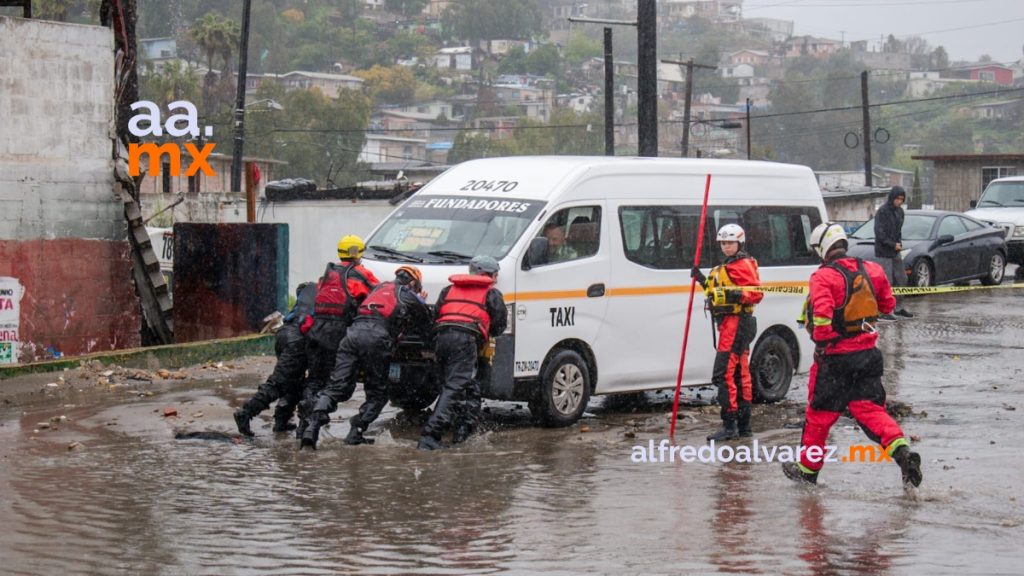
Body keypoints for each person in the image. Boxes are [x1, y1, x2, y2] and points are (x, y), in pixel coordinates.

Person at [784, 222, 922, 487]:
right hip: (868, 354)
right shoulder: (873, 269)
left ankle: (807, 471)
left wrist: (825, 343)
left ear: (823, 248)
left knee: (819, 416)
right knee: (869, 410)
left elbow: (822, 322)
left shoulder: (823, 276)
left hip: (834, 359)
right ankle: (903, 452)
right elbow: (888, 305)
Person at [300, 266, 431, 450]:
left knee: (337, 386)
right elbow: (426, 321)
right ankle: (356, 432)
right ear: (412, 283)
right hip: (376, 339)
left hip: (351, 336)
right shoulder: (405, 293)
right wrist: (420, 301)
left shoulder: (377, 288)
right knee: (378, 393)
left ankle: (311, 428)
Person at [417, 255, 508, 450]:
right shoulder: (492, 294)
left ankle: (462, 433)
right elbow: (500, 326)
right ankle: (429, 436)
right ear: (486, 274)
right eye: (495, 275)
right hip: (465, 340)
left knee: (459, 385)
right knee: (455, 387)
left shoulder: (448, 290)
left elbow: (437, 315)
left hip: (441, 338)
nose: (496, 279)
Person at [297, 235, 379, 438]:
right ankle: (318, 416)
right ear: (358, 253)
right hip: (340, 334)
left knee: (315, 380)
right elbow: (377, 295)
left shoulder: (327, 274)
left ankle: (304, 422)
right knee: (339, 384)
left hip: (317, 332)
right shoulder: (361, 275)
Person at [691, 224, 764, 441]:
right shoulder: (727, 266)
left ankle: (731, 424)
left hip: (737, 325)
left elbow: (756, 293)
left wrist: (734, 295)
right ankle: (743, 425)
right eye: (723, 243)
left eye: (730, 242)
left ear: (739, 243)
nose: (726, 247)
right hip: (729, 324)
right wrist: (702, 279)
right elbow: (716, 291)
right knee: (739, 374)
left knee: (724, 374)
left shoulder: (742, 265)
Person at [233, 282, 317, 437]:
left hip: (285, 334)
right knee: (279, 383)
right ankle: (246, 413)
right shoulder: (333, 294)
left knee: (292, 381)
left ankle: (282, 421)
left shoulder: (311, 289)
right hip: (298, 339)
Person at [874, 186, 912, 320]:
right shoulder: (883, 212)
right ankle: (884, 310)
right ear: (892, 198)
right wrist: (891, 244)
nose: (900, 202)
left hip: (895, 251)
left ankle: (899, 307)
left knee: (902, 278)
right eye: (898, 199)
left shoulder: (900, 212)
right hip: (884, 252)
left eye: (902, 199)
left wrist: (898, 244)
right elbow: (879, 233)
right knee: (887, 281)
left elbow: (898, 231)